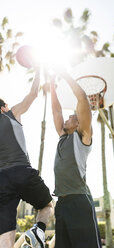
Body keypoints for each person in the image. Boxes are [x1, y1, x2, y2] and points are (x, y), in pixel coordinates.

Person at [0, 68, 53, 248]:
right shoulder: (11, 114)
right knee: (47, 205)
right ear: (3, 108)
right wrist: (39, 71)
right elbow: (33, 94)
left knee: (5, 235)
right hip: (21, 171)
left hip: (1, 181)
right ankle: (38, 230)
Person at [50, 68, 102, 248]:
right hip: (62, 203)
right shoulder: (62, 136)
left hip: (79, 201)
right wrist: (52, 84)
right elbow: (56, 111)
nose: (68, 117)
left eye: (72, 116)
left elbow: (82, 99)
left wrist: (63, 73)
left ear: (79, 123)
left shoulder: (82, 138)